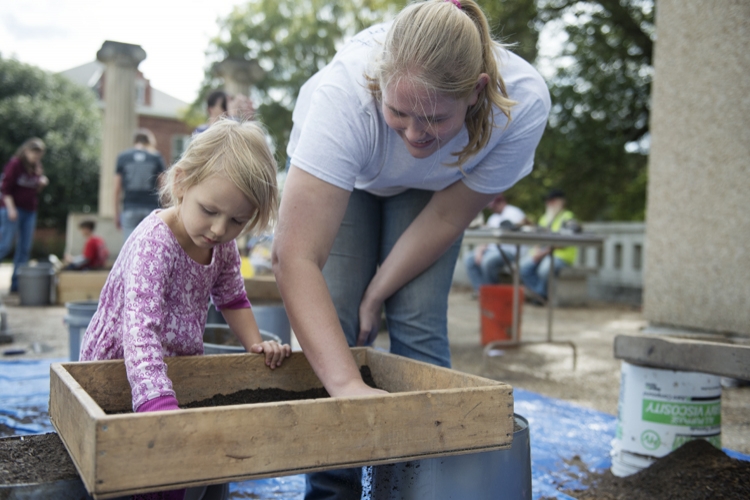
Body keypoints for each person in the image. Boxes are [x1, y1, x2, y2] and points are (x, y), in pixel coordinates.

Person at [271, 1, 550, 497]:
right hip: (350, 177)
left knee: (418, 317)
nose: (416, 134)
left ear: (476, 91)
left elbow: (447, 215)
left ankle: (416, 487)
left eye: (435, 119)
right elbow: (295, 257)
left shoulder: (522, 104)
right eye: (398, 112)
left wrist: (377, 294)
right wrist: (347, 387)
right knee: (335, 320)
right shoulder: (345, 95)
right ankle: (331, 489)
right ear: (380, 82)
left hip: (435, 190)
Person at [80, 119, 290, 500]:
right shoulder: (154, 244)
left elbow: (232, 297)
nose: (219, 229)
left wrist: (255, 345)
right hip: (120, 369)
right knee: (142, 468)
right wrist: (157, 402)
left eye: (237, 220)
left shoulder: (220, 243)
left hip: (174, 365)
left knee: (184, 463)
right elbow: (139, 333)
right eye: (209, 210)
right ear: (181, 184)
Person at [0, 138, 50, 293]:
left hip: (29, 211)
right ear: (26, 151)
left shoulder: (35, 167)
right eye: (34, 154)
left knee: (24, 248)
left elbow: (33, 188)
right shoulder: (15, 164)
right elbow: (5, 189)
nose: (36, 158)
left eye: (39, 155)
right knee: (5, 244)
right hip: (12, 209)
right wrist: (11, 209)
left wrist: (41, 182)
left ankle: (16, 284)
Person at [520, 189, 578, 303]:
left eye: (552, 200)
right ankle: (539, 294)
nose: (549, 203)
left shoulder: (567, 217)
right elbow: (538, 237)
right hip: (544, 254)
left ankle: (539, 297)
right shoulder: (545, 217)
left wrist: (542, 253)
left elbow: (563, 242)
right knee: (523, 267)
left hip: (561, 256)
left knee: (544, 269)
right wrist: (537, 250)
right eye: (547, 201)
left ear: (561, 202)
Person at [463, 193, 526, 295]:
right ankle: (481, 291)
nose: (493, 209)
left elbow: (520, 230)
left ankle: (491, 293)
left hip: (510, 251)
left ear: (502, 202)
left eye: (495, 206)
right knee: (469, 259)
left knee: (487, 261)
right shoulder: (493, 217)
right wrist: (479, 251)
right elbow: (487, 237)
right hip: (493, 250)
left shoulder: (514, 213)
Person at [114, 129, 167, 242]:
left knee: (130, 246)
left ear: (135, 141)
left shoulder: (123, 157)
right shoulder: (156, 157)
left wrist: (116, 214)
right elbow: (163, 186)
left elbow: (117, 188)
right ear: (150, 142)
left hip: (129, 207)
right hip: (151, 208)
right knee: (150, 245)